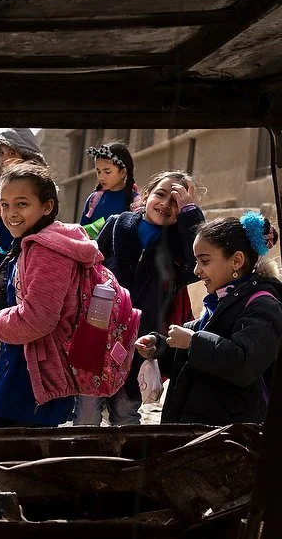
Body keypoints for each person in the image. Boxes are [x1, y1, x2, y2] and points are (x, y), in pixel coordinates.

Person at [74, 170, 204, 427]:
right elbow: (91, 268)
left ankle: (123, 465)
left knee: (125, 412)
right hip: (99, 333)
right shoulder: (117, 225)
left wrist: (191, 217)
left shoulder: (180, 248)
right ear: (146, 195)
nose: (166, 205)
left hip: (140, 341)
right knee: (86, 410)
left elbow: (198, 265)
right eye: (161, 194)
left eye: (177, 202)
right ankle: (83, 462)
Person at [0, 162, 95, 428]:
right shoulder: (32, 242)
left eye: (22, 204)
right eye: (5, 204)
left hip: (31, 376)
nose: (10, 213)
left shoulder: (47, 250)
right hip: (26, 366)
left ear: (47, 207)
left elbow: (39, 318)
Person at [136, 213, 282, 424]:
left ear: (236, 260)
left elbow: (244, 364)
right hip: (200, 430)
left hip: (229, 436)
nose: (197, 270)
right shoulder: (221, 302)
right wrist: (160, 346)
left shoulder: (264, 307)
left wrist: (192, 341)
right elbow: (200, 351)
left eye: (204, 261)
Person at [0, 129, 46, 262]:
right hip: (5, 259)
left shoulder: (40, 187)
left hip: (28, 258)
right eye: (1, 153)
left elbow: (40, 226)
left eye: (11, 152)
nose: (5, 158)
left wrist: (5, 212)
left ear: (26, 155)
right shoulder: (2, 187)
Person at [79, 142, 138, 238]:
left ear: (123, 172)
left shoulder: (135, 202)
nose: (101, 177)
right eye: (98, 171)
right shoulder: (93, 200)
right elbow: (81, 233)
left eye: (107, 172)